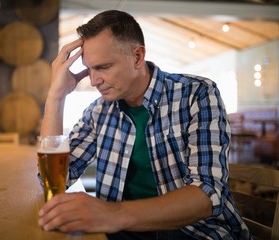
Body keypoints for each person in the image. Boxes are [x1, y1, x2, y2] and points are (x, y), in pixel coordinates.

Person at [38, 9, 251, 240]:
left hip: (195, 232)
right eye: (89, 68)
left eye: (103, 67)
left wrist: (110, 215)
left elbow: (207, 195)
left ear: (138, 57)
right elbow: (54, 179)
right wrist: (56, 96)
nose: (92, 80)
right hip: (122, 231)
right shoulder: (98, 111)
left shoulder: (196, 94)